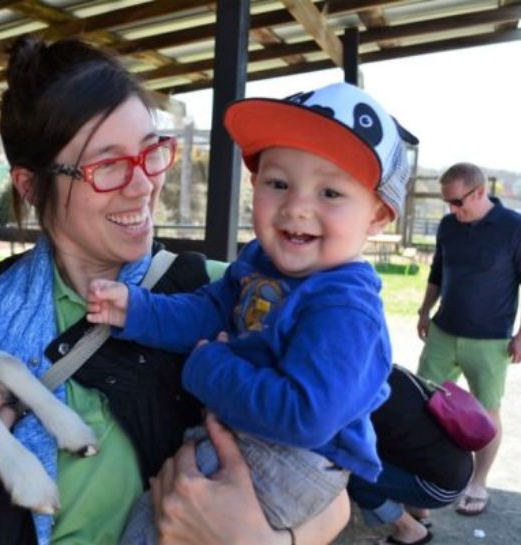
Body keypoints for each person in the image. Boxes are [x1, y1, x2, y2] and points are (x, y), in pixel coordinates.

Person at [0, 36, 349, 545]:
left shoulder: (230, 294)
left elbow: (334, 483)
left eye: (151, 152)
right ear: (31, 185)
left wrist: (266, 540)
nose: (143, 184)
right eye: (108, 166)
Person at [87, 82, 418, 542]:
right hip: (249, 436)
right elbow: (209, 312)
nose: (297, 207)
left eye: (331, 193)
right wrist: (138, 310)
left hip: (289, 458)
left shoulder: (344, 306)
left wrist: (207, 367)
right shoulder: (261, 264)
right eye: (278, 183)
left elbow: (305, 416)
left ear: (378, 215)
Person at [416, 161, 521, 516]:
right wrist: (424, 310)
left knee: (485, 414)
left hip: (491, 340)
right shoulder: (448, 226)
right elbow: (437, 270)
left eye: (458, 202)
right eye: (448, 203)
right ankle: (427, 479)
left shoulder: (514, 227)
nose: (452, 210)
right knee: (425, 404)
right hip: (443, 332)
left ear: (479, 192)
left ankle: (478, 483)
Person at [347, 365, 474, 545]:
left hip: (441, 487)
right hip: (460, 464)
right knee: (407, 444)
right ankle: (418, 510)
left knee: (356, 475)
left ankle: (410, 530)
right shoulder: (393, 371)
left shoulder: (366, 399)